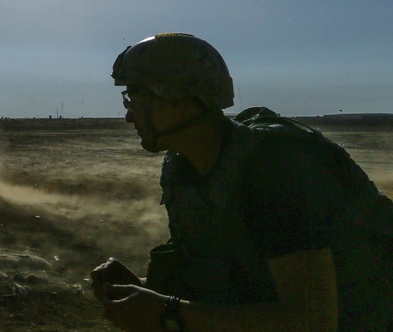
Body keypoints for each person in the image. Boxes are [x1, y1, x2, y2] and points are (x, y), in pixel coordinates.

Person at [91, 33, 393, 332]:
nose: (129, 115)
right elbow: (225, 283)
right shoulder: (184, 167)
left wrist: (166, 313)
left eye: (135, 98)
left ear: (176, 100)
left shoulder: (272, 169)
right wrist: (141, 289)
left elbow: (312, 320)